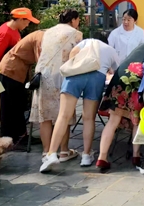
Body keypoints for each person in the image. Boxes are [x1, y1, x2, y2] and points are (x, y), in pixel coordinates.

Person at [40, 38, 119, 173]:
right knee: (89, 118)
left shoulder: (87, 41)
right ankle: (86, 155)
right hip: (97, 77)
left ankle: (51, 154)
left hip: (76, 73)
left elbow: (73, 53)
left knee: (63, 116)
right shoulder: (111, 50)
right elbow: (117, 71)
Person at [30, 9, 83, 162]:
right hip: (62, 75)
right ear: (73, 20)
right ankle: (64, 151)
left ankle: (46, 152)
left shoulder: (47, 32)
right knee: (64, 114)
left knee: (45, 116)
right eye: (78, 20)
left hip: (42, 75)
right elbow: (77, 56)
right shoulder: (76, 33)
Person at [96, 42, 144, 173]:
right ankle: (136, 156)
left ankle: (102, 157)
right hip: (137, 80)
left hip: (120, 77)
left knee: (113, 121)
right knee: (137, 120)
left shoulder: (142, 46)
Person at [0, 30, 44, 145]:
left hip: (14, 70)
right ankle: (15, 137)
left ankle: (14, 135)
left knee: (14, 105)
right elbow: (41, 61)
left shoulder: (41, 35)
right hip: (11, 70)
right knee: (12, 105)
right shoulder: (41, 37)